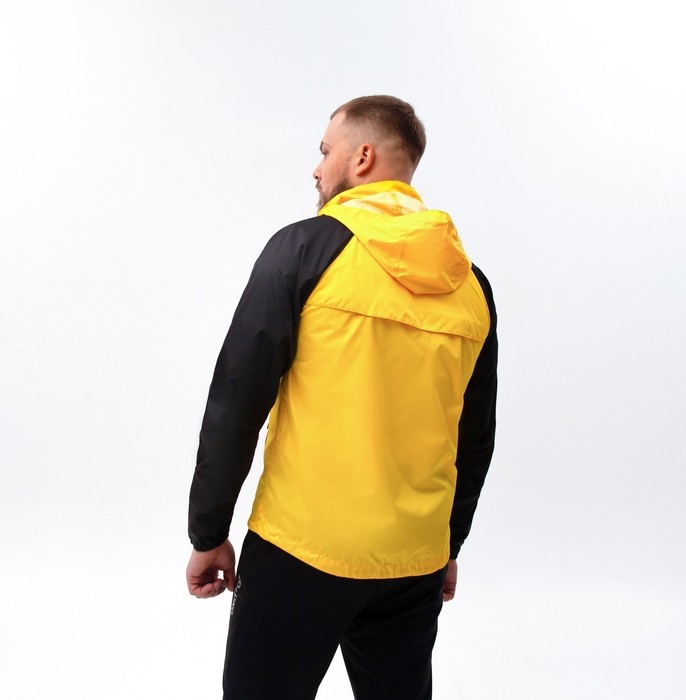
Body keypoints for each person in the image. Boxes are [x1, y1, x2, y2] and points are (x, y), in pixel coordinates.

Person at [186, 95, 498, 700]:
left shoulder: (305, 249)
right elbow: (474, 434)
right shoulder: (470, 284)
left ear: (362, 157)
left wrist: (208, 532)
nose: (316, 168)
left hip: (301, 550)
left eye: (325, 151)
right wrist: (447, 545)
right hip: (413, 561)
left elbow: (237, 400)